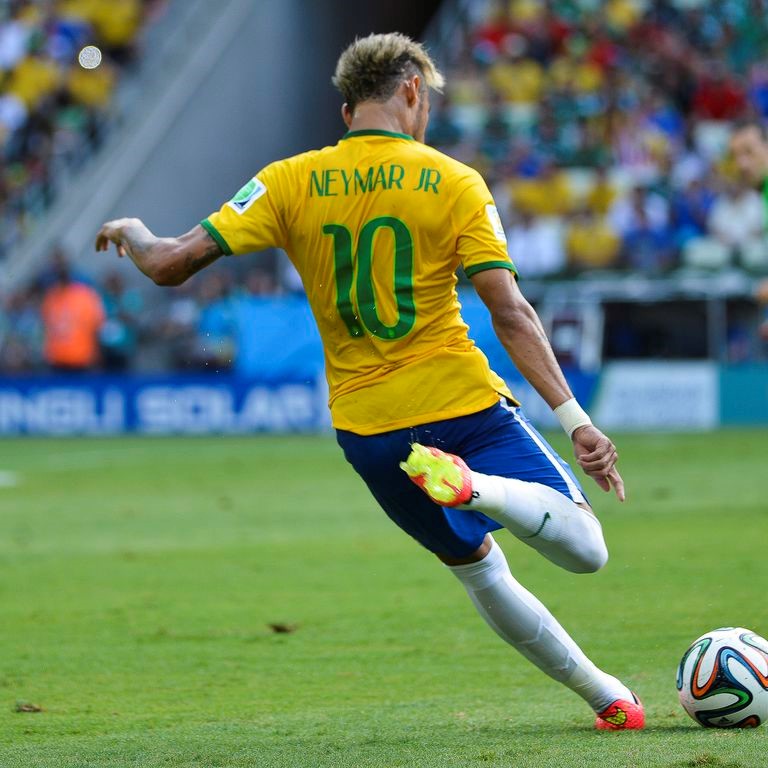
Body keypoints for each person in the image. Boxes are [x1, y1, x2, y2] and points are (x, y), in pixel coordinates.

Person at [95, 32, 643, 730]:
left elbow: (170, 263)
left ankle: (609, 699)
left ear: (347, 104)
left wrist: (138, 232)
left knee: (480, 572)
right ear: (411, 88)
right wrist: (578, 422)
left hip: (371, 430)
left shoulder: (288, 179)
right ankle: (480, 488)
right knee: (587, 551)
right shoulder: (453, 180)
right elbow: (510, 310)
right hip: (462, 406)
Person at [40, 255, 105, 372]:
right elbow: (46, 326)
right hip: (57, 357)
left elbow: (96, 325)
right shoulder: (52, 297)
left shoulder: (84, 295)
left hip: (81, 357)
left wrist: (96, 353)